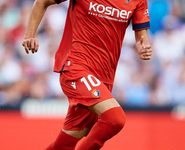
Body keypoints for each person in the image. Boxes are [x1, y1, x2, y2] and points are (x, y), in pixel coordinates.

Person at [22, 0, 152, 149]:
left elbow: (142, 39)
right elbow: (42, 1)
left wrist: (143, 48)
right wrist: (29, 35)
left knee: (64, 144)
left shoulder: (138, 1)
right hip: (76, 68)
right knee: (115, 118)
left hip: (104, 79)